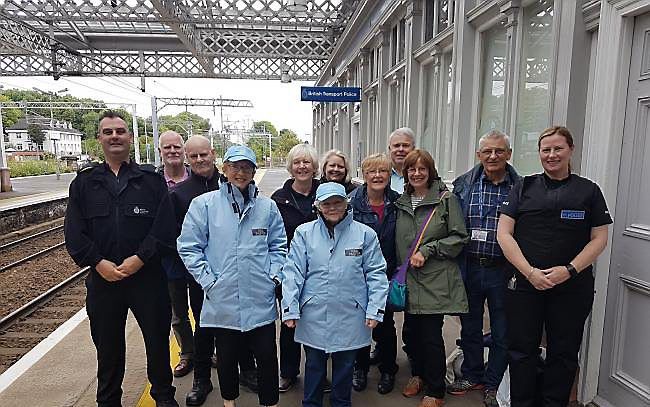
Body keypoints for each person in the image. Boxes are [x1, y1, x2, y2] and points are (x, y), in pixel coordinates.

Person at [64, 110, 178, 407]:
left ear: (130, 138)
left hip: (148, 278)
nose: (115, 136)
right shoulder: (84, 184)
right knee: (108, 350)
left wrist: (139, 258)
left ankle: (164, 399)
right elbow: (75, 234)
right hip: (103, 281)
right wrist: (99, 263)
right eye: (108, 132)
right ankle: (109, 401)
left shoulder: (152, 182)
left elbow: (164, 230)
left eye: (120, 131)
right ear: (99, 138)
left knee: (157, 345)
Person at [497, 126, 611, 407]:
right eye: (545, 149)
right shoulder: (523, 186)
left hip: (571, 288)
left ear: (570, 150)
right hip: (525, 286)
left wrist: (569, 270)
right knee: (521, 351)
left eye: (558, 148)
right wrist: (530, 273)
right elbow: (504, 234)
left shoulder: (589, 191)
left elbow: (599, 238)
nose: (551, 155)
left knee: (563, 353)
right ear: (539, 153)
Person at [177, 145, 287, 407]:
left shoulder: (267, 207)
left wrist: (272, 277)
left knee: (267, 357)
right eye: (235, 166)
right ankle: (229, 402)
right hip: (221, 298)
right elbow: (189, 246)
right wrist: (210, 281)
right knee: (226, 357)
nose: (240, 172)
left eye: (246, 167)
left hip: (260, 297)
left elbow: (279, 247)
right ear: (224, 170)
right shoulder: (204, 205)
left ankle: (269, 402)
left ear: (253, 171)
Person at [281, 182, 389, 407]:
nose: (332, 208)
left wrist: (375, 310)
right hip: (314, 313)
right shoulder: (304, 233)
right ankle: (311, 403)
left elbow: (376, 274)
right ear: (318, 206)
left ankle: (341, 403)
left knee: (345, 365)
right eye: (326, 204)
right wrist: (290, 308)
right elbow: (293, 272)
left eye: (337, 203)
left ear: (346, 204)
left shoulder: (365, 234)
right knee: (314, 364)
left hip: (351, 313)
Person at [168, 136, 257, 405]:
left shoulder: (231, 182)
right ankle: (202, 379)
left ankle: (247, 370)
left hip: (239, 274)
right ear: (187, 158)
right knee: (204, 327)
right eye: (193, 156)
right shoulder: (180, 194)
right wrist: (201, 274)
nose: (199, 160)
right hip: (202, 279)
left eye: (203, 155)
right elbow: (177, 238)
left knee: (242, 324)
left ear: (213, 155)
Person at [448, 130, 520, 407]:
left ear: (508, 154)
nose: (493, 156)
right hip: (469, 266)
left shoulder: (521, 187)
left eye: (499, 151)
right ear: (479, 155)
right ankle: (473, 374)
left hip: (503, 269)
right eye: (487, 151)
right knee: (470, 326)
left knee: (503, 330)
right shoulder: (463, 184)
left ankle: (493, 382)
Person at [395, 149, 469, 407]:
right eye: (411, 169)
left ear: (430, 171)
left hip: (435, 279)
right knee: (411, 334)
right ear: (405, 173)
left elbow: (459, 237)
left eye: (421, 169)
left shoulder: (445, 199)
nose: (416, 173)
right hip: (409, 280)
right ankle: (418, 375)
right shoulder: (401, 201)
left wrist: (429, 249)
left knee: (431, 336)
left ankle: (436, 390)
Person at [270, 143, 320, 393]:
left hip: (322, 271)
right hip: (289, 271)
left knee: (317, 324)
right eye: (297, 162)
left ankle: (317, 373)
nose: (302, 166)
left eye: (307, 162)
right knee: (289, 321)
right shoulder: (278, 199)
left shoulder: (326, 194)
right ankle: (288, 372)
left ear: (314, 167)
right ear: (290, 167)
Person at [349, 153, 400, 394]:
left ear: (390, 174)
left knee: (384, 324)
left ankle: (388, 369)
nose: (377, 176)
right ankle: (359, 368)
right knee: (360, 324)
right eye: (372, 171)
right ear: (364, 174)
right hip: (356, 275)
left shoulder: (399, 203)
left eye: (383, 171)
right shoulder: (351, 204)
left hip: (387, 274)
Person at [156, 130, 195, 378]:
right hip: (169, 258)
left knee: (204, 308)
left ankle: (207, 349)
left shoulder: (199, 179)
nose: (172, 151)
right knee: (177, 312)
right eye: (167, 147)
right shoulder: (152, 183)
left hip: (201, 257)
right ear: (160, 151)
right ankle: (187, 353)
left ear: (184, 151)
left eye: (177, 147)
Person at [387, 127, 415, 193]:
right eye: (396, 145)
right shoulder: (380, 174)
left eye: (405, 145)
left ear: (413, 149)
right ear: (389, 149)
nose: (401, 149)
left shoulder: (422, 175)